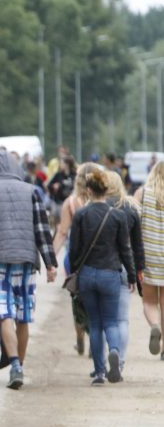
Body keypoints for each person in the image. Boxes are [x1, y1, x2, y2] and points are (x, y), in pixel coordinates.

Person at [0, 150, 58, 390]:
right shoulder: (31, 191)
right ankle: (19, 366)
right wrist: (50, 263)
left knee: (3, 313)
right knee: (23, 316)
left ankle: (16, 366)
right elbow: (42, 229)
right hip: (26, 260)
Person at [69, 170, 135, 385]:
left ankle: (99, 373)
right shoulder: (118, 216)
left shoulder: (81, 215)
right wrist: (132, 276)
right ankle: (114, 350)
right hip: (111, 274)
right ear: (107, 190)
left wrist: (75, 272)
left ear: (88, 190)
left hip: (88, 274)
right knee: (111, 322)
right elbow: (126, 249)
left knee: (95, 324)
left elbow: (74, 250)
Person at [54, 163, 102, 356]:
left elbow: (62, 232)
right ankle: (94, 340)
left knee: (77, 298)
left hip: (74, 258)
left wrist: (50, 259)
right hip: (98, 256)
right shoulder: (102, 201)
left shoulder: (71, 203)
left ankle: (80, 337)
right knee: (97, 300)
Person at [107, 174, 145, 370]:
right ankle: (119, 361)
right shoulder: (131, 209)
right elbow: (138, 246)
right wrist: (138, 273)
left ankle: (106, 354)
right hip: (124, 266)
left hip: (102, 265)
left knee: (105, 319)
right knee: (122, 319)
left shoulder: (97, 208)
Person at [137, 161, 164, 359]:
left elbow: (132, 223)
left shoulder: (142, 194)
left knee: (149, 301)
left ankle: (155, 326)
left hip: (148, 256)